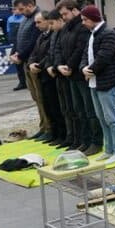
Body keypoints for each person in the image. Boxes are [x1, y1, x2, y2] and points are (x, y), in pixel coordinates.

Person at [79, 5, 115, 164]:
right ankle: (109, 149)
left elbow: (103, 57)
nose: (83, 23)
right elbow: (86, 54)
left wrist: (89, 70)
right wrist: (83, 68)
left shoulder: (108, 33)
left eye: (85, 20)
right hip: (94, 82)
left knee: (111, 118)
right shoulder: (92, 34)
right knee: (101, 118)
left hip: (106, 82)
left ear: (93, 19)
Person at [55, 0, 100, 155]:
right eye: (61, 15)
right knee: (78, 109)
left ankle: (95, 141)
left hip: (81, 75)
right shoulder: (67, 28)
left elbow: (81, 49)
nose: (64, 17)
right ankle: (83, 139)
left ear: (74, 10)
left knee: (89, 110)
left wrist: (70, 66)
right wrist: (59, 64)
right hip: (70, 75)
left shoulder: (83, 27)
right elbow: (59, 47)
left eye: (65, 13)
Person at [11, 0, 47, 139]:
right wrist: (14, 53)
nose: (19, 12)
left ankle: (47, 127)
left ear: (30, 5)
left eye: (21, 9)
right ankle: (43, 126)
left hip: (34, 63)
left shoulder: (37, 18)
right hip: (27, 62)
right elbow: (19, 39)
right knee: (36, 97)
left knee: (41, 96)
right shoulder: (25, 19)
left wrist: (20, 56)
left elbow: (33, 42)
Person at [28, 10, 66, 146]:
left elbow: (51, 53)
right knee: (47, 105)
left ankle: (61, 133)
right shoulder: (41, 37)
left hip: (50, 74)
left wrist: (41, 64)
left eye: (39, 22)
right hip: (41, 75)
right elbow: (34, 52)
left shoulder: (53, 35)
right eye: (35, 23)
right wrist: (32, 63)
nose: (37, 25)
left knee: (56, 106)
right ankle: (52, 132)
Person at [44, 9, 72, 148]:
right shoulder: (55, 34)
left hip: (66, 74)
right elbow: (52, 52)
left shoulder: (66, 32)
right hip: (57, 73)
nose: (51, 26)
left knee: (72, 109)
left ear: (60, 20)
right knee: (63, 107)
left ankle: (72, 136)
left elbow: (65, 52)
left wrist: (57, 66)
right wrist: (50, 65)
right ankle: (64, 135)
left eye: (52, 23)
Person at [7, 5, 26, 90]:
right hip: (15, 43)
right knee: (16, 61)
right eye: (13, 9)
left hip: (23, 42)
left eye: (16, 9)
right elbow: (8, 30)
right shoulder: (10, 19)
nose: (14, 11)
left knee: (24, 61)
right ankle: (22, 82)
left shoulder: (24, 18)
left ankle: (26, 82)